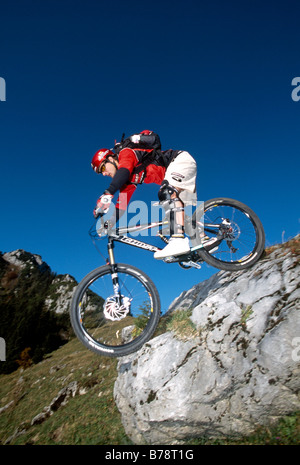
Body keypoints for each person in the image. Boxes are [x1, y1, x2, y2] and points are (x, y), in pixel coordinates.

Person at [91, 130, 197, 259]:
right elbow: (121, 206)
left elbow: (123, 171)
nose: (103, 174)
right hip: (175, 174)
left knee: (166, 193)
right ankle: (203, 242)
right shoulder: (129, 180)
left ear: (110, 158)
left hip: (179, 161)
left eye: (102, 168)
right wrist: (109, 222)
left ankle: (178, 241)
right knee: (177, 217)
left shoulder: (126, 153)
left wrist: (108, 194)